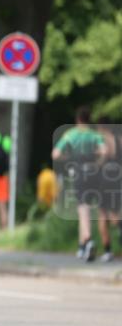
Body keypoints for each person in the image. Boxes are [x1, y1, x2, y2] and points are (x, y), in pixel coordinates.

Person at [52, 106, 106, 262]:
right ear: (89, 119)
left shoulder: (71, 134)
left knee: (83, 210)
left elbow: (55, 154)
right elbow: (104, 151)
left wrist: (68, 158)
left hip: (80, 173)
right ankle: (82, 247)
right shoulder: (94, 135)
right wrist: (98, 163)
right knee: (86, 208)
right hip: (94, 173)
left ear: (77, 119)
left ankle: (88, 240)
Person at [95, 116, 120, 261]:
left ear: (101, 127)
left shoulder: (102, 140)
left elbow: (102, 157)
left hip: (104, 180)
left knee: (103, 215)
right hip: (117, 179)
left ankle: (107, 250)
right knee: (114, 213)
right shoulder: (119, 138)